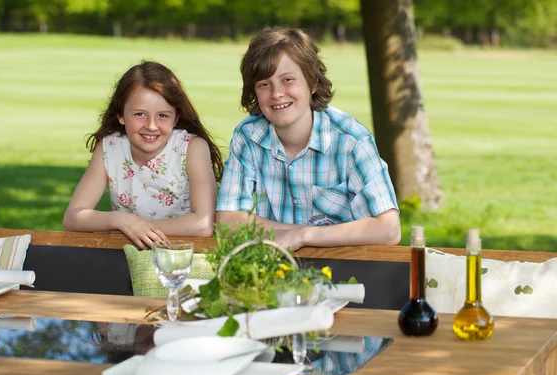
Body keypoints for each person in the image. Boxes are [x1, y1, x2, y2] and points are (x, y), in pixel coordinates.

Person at [216, 28, 401, 250]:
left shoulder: (352, 140)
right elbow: (227, 221)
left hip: (343, 269)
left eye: (288, 80)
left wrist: (305, 236)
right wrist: (295, 234)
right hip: (270, 267)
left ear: (312, 83)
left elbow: (389, 229)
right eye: (264, 84)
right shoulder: (248, 137)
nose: (276, 93)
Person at [64, 61, 223, 249]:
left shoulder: (192, 148)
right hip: (128, 255)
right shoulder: (109, 148)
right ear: (121, 115)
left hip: (183, 256)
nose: (151, 125)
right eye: (140, 114)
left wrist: (138, 227)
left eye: (163, 115)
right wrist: (120, 220)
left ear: (176, 118)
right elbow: (72, 218)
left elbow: (203, 225)